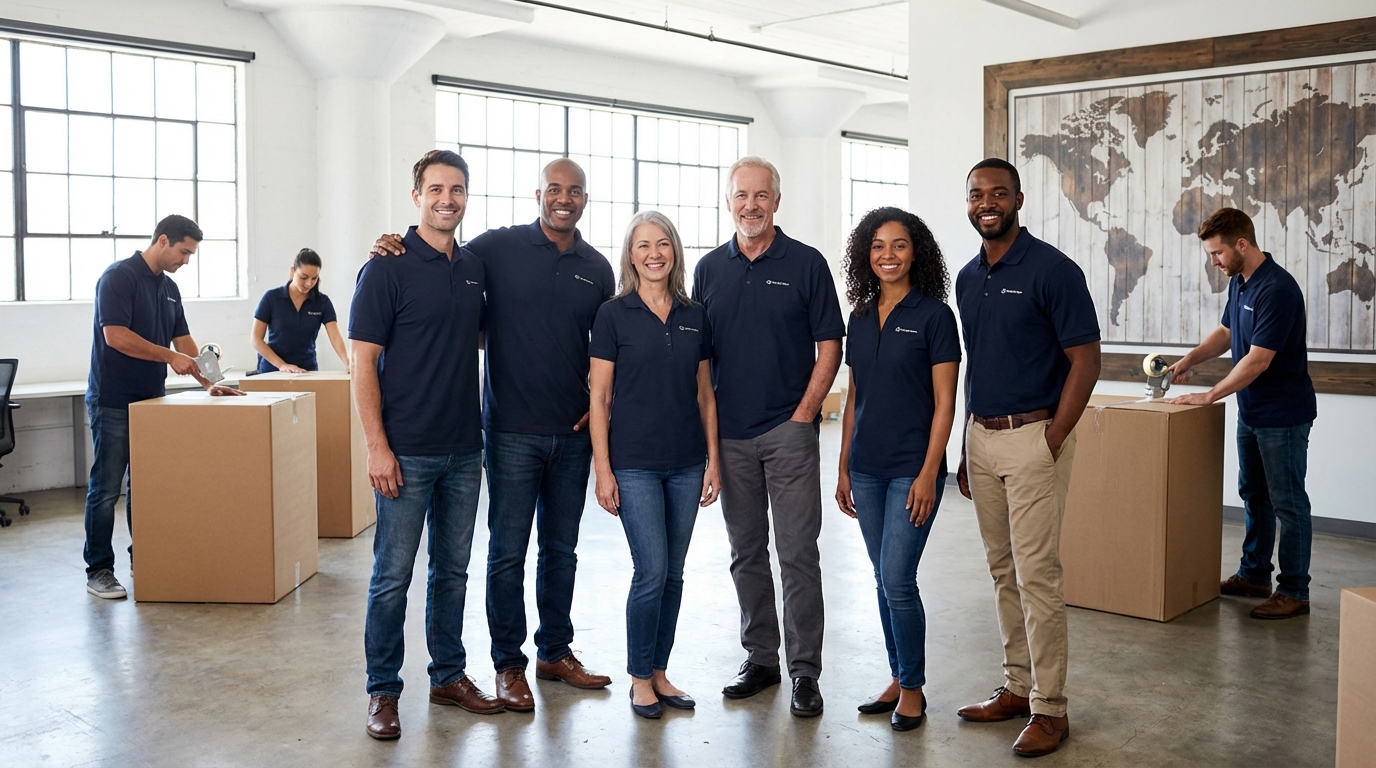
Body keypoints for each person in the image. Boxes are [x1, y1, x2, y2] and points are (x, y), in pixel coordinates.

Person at [370, 157, 615, 712]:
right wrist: (391, 243)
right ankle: (509, 664)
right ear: (537, 194)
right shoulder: (495, 250)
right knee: (506, 553)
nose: (564, 198)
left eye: (575, 191)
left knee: (562, 550)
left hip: (572, 434)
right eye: (554, 189)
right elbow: (437, 253)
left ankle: (556, 650)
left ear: (585, 199)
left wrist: (605, 407)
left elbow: (610, 349)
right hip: (507, 432)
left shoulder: (597, 268)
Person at [351, 150, 501, 741]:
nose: (448, 199)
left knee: (453, 572)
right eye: (436, 188)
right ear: (417, 196)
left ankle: (448, 675)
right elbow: (362, 364)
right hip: (406, 449)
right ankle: (383, 691)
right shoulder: (385, 268)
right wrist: (376, 447)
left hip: (465, 447)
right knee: (392, 575)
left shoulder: (472, 267)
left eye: (458, 189)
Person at [953, 158, 1100, 757]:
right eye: (976, 194)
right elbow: (979, 362)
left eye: (997, 193)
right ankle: (1016, 687)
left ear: (1018, 199)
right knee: (1001, 570)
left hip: (1032, 437)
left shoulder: (1053, 271)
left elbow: (1086, 361)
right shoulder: (967, 276)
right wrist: (966, 445)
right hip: (981, 440)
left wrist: (1053, 437)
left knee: (1038, 576)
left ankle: (1051, 708)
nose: (986, 202)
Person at [692, 156, 845, 718]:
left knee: (799, 553)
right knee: (745, 552)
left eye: (761, 195)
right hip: (730, 437)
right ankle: (761, 658)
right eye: (741, 196)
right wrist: (707, 434)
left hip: (789, 432)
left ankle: (805, 672)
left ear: (776, 201)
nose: (750, 205)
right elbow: (700, 359)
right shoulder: (709, 269)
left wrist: (806, 413)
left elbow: (831, 342)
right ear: (728, 202)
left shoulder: (806, 264)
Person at [589, 211, 721, 720]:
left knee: (675, 575)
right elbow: (599, 398)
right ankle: (639, 677)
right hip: (635, 464)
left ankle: (660, 670)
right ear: (630, 255)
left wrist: (712, 461)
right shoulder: (612, 314)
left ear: (675, 251)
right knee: (652, 570)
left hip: (687, 463)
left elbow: (705, 393)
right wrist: (604, 470)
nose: (653, 253)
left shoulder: (695, 313)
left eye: (662, 243)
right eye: (642, 245)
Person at [834, 208, 960, 732]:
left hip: (912, 470)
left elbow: (946, 402)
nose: (888, 254)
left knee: (897, 579)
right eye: (878, 245)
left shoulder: (935, 316)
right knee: (884, 581)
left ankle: (913, 689)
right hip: (865, 469)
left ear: (917, 253)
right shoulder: (859, 316)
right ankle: (897, 675)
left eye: (900, 245)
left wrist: (931, 472)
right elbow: (855, 394)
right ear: (867, 254)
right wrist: (842, 467)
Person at [1167, 207, 1317, 620]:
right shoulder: (1240, 283)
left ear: (1242, 244)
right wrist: (1189, 360)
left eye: (1217, 254)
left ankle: (1294, 591)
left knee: (1288, 503)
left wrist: (1210, 395)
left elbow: (1258, 360)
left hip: (1283, 416)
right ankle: (1254, 575)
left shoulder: (1277, 289)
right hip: (1252, 411)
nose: (1214, 262)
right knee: (1254, 494)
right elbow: (1228, 333)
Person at [83, 215, 244, 600]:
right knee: (106, 490)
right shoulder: (118, 277)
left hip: (152, 402)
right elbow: (116, 336)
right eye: (184, 251)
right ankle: (100, 570)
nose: (187, 260)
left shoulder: (169, 289)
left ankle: (149, 556)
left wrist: (212, 383)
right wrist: (169, 358)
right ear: (163, 241)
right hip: (113, 400)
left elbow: (185, 341)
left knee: (146, 487)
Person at [250, 248, 350, 374]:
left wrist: (348, 362)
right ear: (292, 271)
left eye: (314, 278)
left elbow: (335, 337)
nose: (308, 283)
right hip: (273, 371)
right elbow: (255, 339)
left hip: (307, 371)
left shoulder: (322, 302)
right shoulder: (271, 298)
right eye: (304, 277)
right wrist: (282, 365)